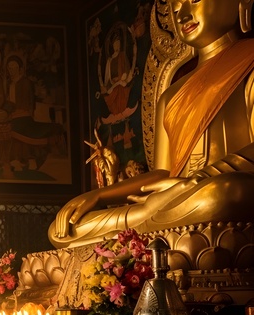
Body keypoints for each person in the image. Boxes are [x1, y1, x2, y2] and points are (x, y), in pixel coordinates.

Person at [50, 0, 254, 248]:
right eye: (176, 8)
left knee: (223, 194)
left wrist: (194, 181)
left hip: (216, 193)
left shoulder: (250, 61)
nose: (183, 15)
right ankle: (149, 239)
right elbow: (161, 173)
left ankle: (144, 241)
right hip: (171, 203)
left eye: (194, 1)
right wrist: (99, 195)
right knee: (65, 230)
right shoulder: (170, 94)